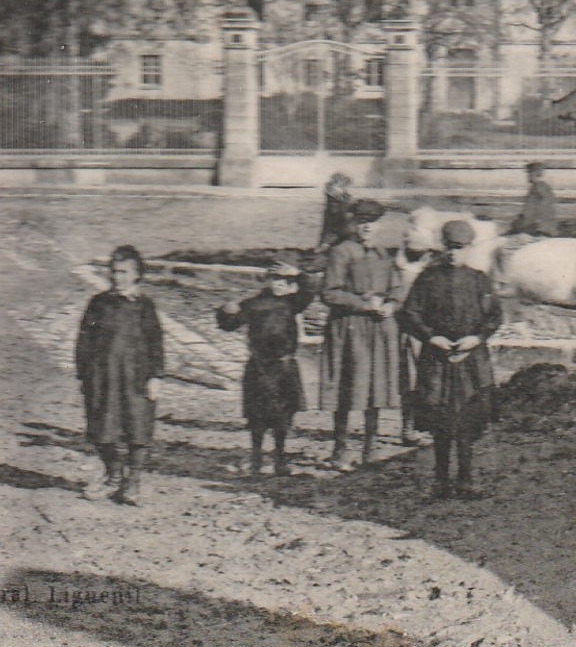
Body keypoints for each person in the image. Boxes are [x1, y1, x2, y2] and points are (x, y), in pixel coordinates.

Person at [400, 220, 504, 499]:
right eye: (449, 248)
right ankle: (441, 479)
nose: (453, 254)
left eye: (460, 249)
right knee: (440, 418)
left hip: (472, 360)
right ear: (441, 248)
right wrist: (432, 337)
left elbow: (494, 315)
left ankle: (467, 478)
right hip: (437, 359)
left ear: (469, 249)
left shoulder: (479, 280)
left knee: (469, 418)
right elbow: (409, 314)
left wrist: (477, 338)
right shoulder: (428, 278)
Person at [77, 245, 165, 506]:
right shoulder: (98, 303)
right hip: (103, 378)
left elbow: (156, 343)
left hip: (136, 378)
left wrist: (156, 376)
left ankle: (133, 482)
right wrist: (84, 375)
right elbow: (84, 341)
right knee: (102, 429)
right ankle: (113, 475)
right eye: (114, 271)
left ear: (137, 274)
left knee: (138, 429)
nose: (118, 277)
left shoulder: (145, 306)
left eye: (124, 272)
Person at [320, 198, 403, 470]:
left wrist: (391, 304)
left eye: (373, 222)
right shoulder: (342, 252)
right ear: (354, 223)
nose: (367, 228)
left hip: (379, 329)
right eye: (362, 222)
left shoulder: (384, 254)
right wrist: (363, 304)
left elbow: (398, 287)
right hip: (350, 328)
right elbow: (329, 292)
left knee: (376, 386)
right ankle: (340, 449)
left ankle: (371, 447)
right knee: (347, 386)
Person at [216, 261, 316, 477]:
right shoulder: (252, 304)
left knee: (283, 416)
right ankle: (256, 459)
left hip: (284, 366)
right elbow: (229, 325)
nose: (281, 284)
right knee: (257, 416)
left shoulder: (293, 303)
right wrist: (225, 311)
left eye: (286, 281)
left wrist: (299, 274)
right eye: (276, 279)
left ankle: (280, 459)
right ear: (267, 280)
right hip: (260, 367)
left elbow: (311, 288)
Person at [509, 162, 558, 238]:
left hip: (538, 231)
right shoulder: (538, 187)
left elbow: (541, 209)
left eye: (528, 173)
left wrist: (537, 225)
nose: (527, 176)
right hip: (535, 229)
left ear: (534, 173)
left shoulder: (539, 187)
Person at [317, 173, 354, 252]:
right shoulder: (337, 201)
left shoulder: (338, 203)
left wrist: (326, 243)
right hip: (340, 239)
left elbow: (337, 226)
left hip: (338, 241)